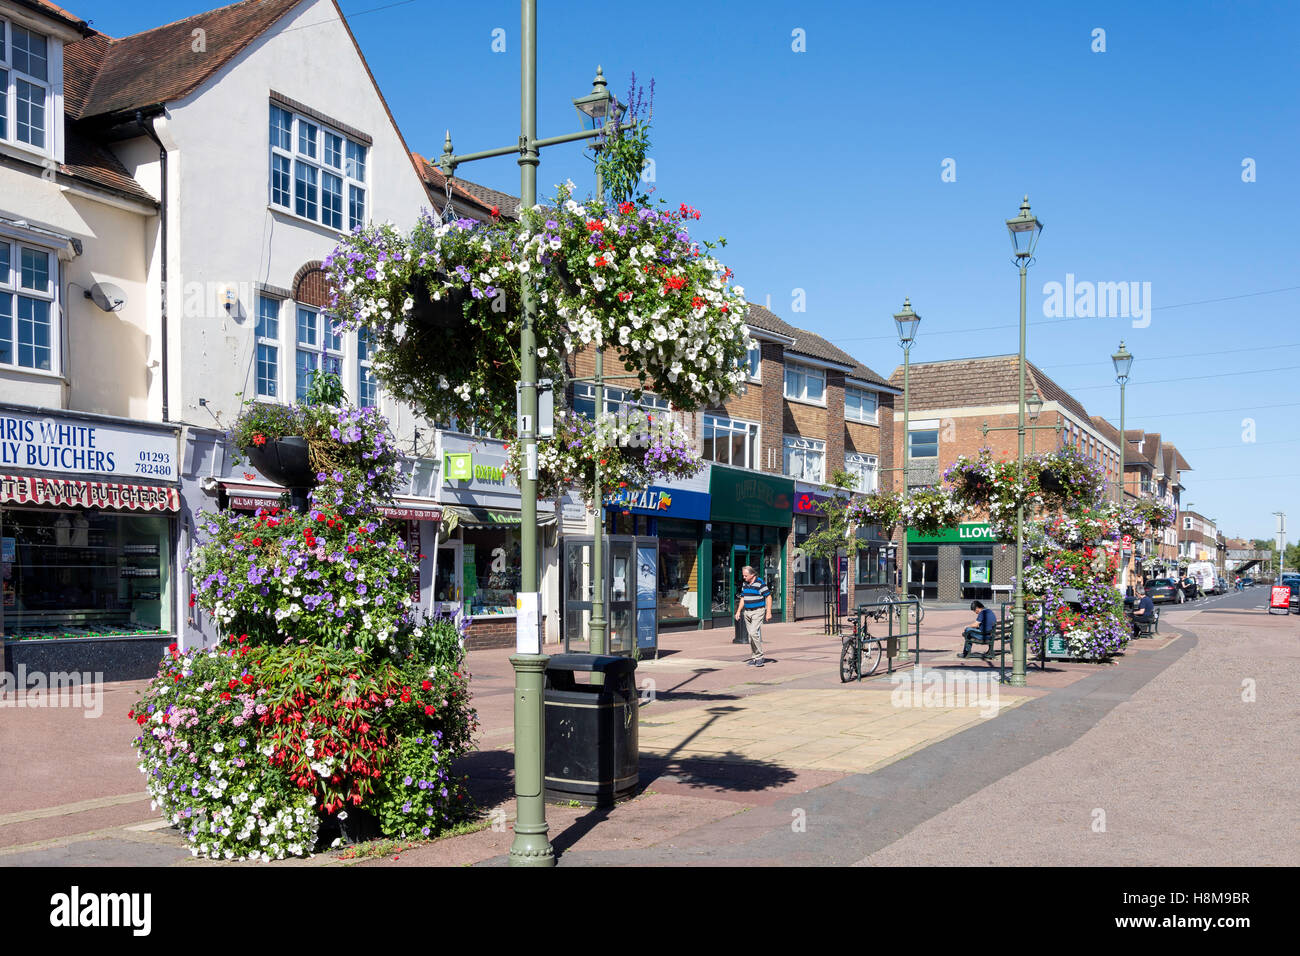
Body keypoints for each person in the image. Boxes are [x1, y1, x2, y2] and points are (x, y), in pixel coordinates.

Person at [734, 564, 772, 667]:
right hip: (747, 612)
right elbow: (743, 598)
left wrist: (768, 612)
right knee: (750, 636)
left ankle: (759, 656)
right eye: (743, 575)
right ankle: (755, 657)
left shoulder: (760, 583)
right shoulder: (745, 584)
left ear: (752, 574)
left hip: (758, 611)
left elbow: (768, 597)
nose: (744, 577)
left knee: (753, 633)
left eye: (746, 576)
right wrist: (738, 611)